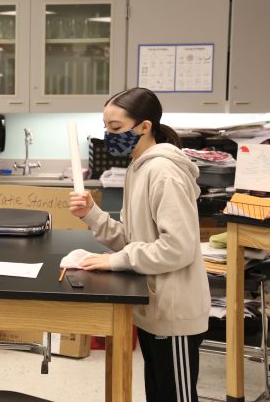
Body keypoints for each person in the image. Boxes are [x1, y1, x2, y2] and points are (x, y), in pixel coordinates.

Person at [69, 87, 210, 402]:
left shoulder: (164, 172)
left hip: (174, 314)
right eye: (106, 128)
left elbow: (178, 248)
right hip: (153, 305)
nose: (108, 135)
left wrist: (114, 261)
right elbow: (134, 240)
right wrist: (92, 214)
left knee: (176, 397)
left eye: (116, 128)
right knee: (159, 394)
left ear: (144, 126)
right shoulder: (138, 167)